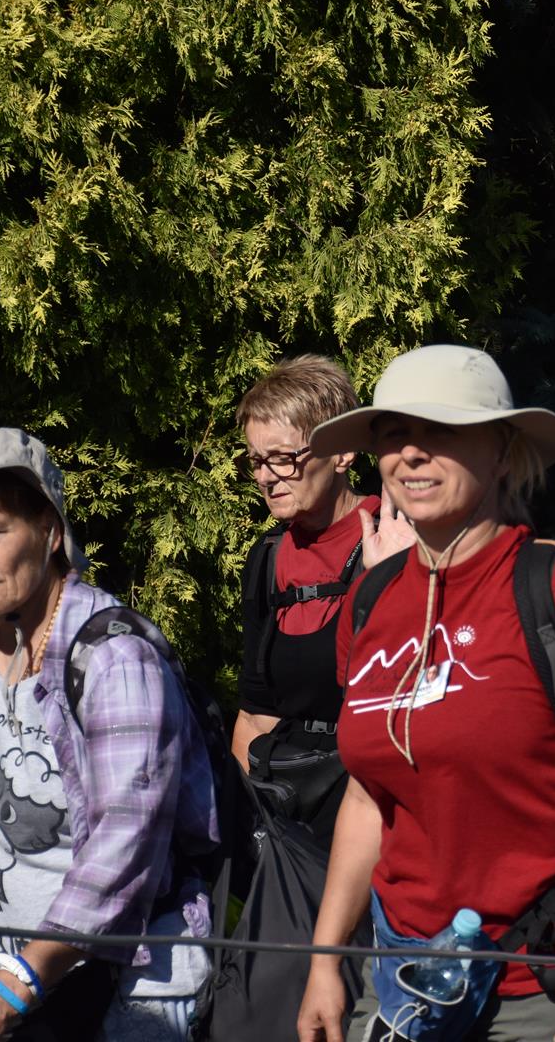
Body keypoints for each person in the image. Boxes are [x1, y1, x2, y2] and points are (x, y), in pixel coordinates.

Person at [295, 345, 555, 1042]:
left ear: (502, 451)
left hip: (547, 981)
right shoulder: (370, 602)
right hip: (403, 975)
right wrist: (325, 961)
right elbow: (368, 796)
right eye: (393, 434)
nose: (411, 453)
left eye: (440, 430)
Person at [0, 428, 218, 1040]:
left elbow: (126, 840)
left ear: (49, 531)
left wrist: (13, 987)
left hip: (117, 984)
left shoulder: (116, 659)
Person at [235, 354, 410, 839]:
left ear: (342, 453)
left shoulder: (397, 541)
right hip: (290, 820)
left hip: (380, 814)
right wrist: (247, 832)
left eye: (283, 458)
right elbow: (255, 715)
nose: (266, 477)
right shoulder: (267, 559)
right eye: (256, 461)